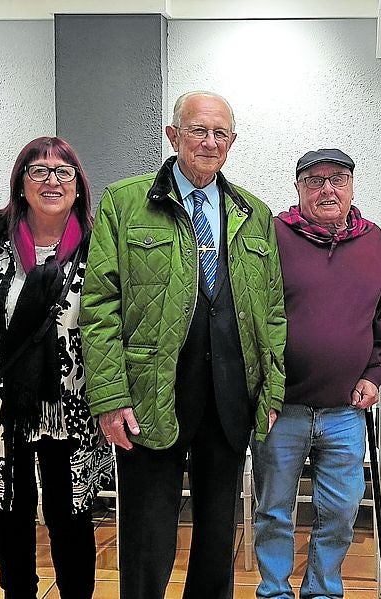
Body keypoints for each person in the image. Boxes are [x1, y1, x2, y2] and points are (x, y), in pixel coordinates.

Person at [80, 90, 286, 599]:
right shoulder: (125, 203)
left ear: (232, 142)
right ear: (173, 136)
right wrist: (109, 397)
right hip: (151, 393)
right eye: (198, 130)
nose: (209, 142)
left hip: (230, 394)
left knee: (218, 534)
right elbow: (99, 306)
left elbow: (274, 312)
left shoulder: (254, 214)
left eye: (220, 133)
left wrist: (272, 391)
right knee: (149, 533)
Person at [0, 137, 113, 599]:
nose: (51, 180)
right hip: (1, 408)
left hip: (74, 406)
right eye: (37, 171)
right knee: (12, 515)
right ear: (20, 184)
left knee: (72, 517)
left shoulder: (101, 243)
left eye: (63, 172)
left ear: (79, 186)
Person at [252, 148, 381, 599]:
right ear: (298, 188)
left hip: (345, 411)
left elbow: (379, 319)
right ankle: (273, 590)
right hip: (282, 409)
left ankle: (323, 590)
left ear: (352, 187)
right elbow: (251, 316)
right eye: (315, 181)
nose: (327, 189)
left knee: (341, 511)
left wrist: (374, 373)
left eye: (338, 179)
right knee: (273, 510)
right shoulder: (273, 235)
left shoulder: (373, 240)